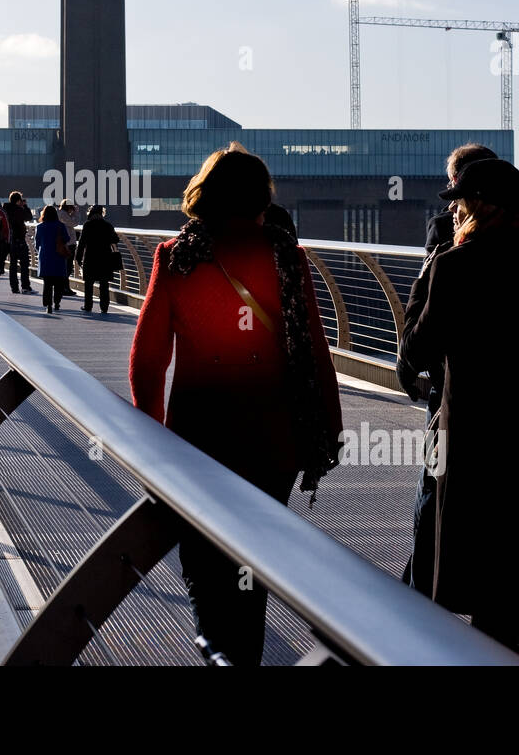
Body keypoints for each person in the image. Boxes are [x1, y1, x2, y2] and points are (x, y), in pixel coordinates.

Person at [128, 143, 343, 666]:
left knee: (205, 564)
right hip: (273, 442)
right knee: (255, 563)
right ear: (260, 200)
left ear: (204, 195)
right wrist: (326, 434)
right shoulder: (287, 260)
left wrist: (150, 443)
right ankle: (242, 653)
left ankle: (218, 652)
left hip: (197, 439)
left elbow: (147, 361)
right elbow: (315, 352)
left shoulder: (177, 258)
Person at [398, 157, 519, 665]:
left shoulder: (454, 266)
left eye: (458, 201)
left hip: (473, 438)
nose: (453, 210)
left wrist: (434, 273)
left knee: (478, 565)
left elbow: (417, 346)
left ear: (476, 208)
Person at [75, 204, 118, 313]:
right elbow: (115, 239)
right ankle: (104, 307)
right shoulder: (107, 225)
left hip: (91, 257)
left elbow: (82, 243)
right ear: (101, 213)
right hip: (105, 257)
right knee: (104, 284)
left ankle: (88, 306)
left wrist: (78, 257)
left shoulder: (88, 225)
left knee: (89, 284)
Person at [34, 205, 71, 314]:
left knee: (47, 283)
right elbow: (67, 239)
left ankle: (48, 305)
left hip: (45, 257)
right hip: (58, 257)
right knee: (59, 282)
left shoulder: (40, 227)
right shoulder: (60, 226)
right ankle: (57, 302)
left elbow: (37, 244)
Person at [2, 191, 35, 294]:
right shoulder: (19, 210)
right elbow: (29, 217)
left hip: (10, 240)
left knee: (13, 265)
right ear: (18, 201)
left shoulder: (5, 210)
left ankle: (14, 287)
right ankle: (25, 286)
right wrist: (25, 206)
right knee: (24, 264)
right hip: (20, 240)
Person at [58, 200, 79, 290]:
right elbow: (74, 223)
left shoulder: (62, 214)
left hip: (68, 243)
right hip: (68, 244)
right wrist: (76, 213)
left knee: (67, 267)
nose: (72, 210)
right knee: (68, 267)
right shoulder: (63, 214)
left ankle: (65, 287)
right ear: (68, 207)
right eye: (71, 208)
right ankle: (65, 288)